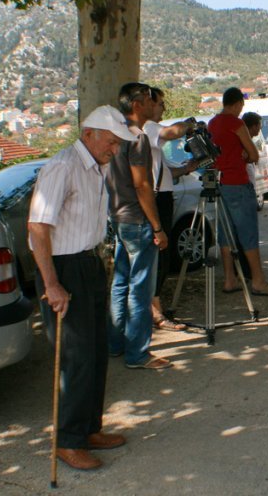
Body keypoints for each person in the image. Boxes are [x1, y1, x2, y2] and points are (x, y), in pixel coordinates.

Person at [28, 105, 136, 470]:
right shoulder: (62, 167)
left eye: (118, 144)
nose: (115, 150)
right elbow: (38, 227)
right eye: (111, 142)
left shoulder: (96, 168)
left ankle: (89, 429)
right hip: (63, 268)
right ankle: (67, 441)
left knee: (96, 352)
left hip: (88, 262)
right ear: (88, 134)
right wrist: (52, 282)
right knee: (74, 358)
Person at [106, 82, 172, 370]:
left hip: (118, 218)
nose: (152, 103)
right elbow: (142, 185)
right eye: (148, 99)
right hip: (138, 220)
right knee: (141, 288)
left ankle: (115, 343)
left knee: (120, 283)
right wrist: (157, 226)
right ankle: (138, 353)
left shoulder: (113, 135)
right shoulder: (137, 137)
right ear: (136, 104)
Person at [208, 87, 268, 296]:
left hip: (220, 183)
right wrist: (243, 155)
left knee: (225, 233)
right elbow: (253, 155)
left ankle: (229, 279)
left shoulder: (212, 123)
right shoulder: (236, 123)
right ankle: (258, 280)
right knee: (248, 233)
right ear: (236, 104)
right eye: (241, 105)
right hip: (238, 183)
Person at [143, 87, 198, 332]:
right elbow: (172, 131)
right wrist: (189, 124)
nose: (163, 108)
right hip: (156, 199)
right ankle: (155, 312)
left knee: (162, 257)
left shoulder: (153, 138)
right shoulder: (150, 128)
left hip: (163, 195)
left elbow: (164, 173)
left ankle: (156, 308)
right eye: (161, 104)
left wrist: (188, 168)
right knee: (158, 254)